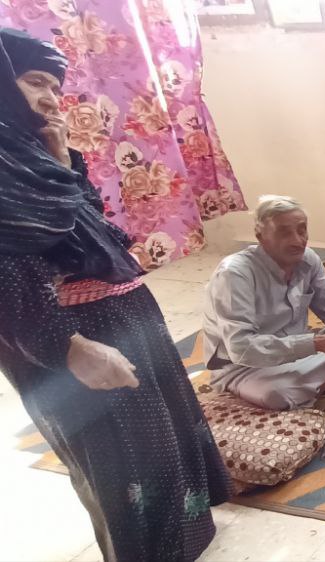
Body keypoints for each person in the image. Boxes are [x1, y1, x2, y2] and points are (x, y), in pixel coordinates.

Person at [0, 29, 231, 561]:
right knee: (125, 461)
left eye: (55, 86)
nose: (50, 98)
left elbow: (90, 231)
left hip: (124, 317)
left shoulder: (35, 160)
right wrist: (70, 347)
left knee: (167, 438)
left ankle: (188, 540)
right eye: (35, 81)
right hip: (76, 336)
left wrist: (61, 160)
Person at [203, 195, 325, 411]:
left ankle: (321, 383)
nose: (298, 241)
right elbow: (241, 348)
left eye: (302, 230)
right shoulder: (234, 274)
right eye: (284, 233)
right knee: (275, 394)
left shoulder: (307, 259)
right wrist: (316, 343)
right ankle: (321, 381)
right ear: (260, 236)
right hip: (245, 367)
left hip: (299, 352)